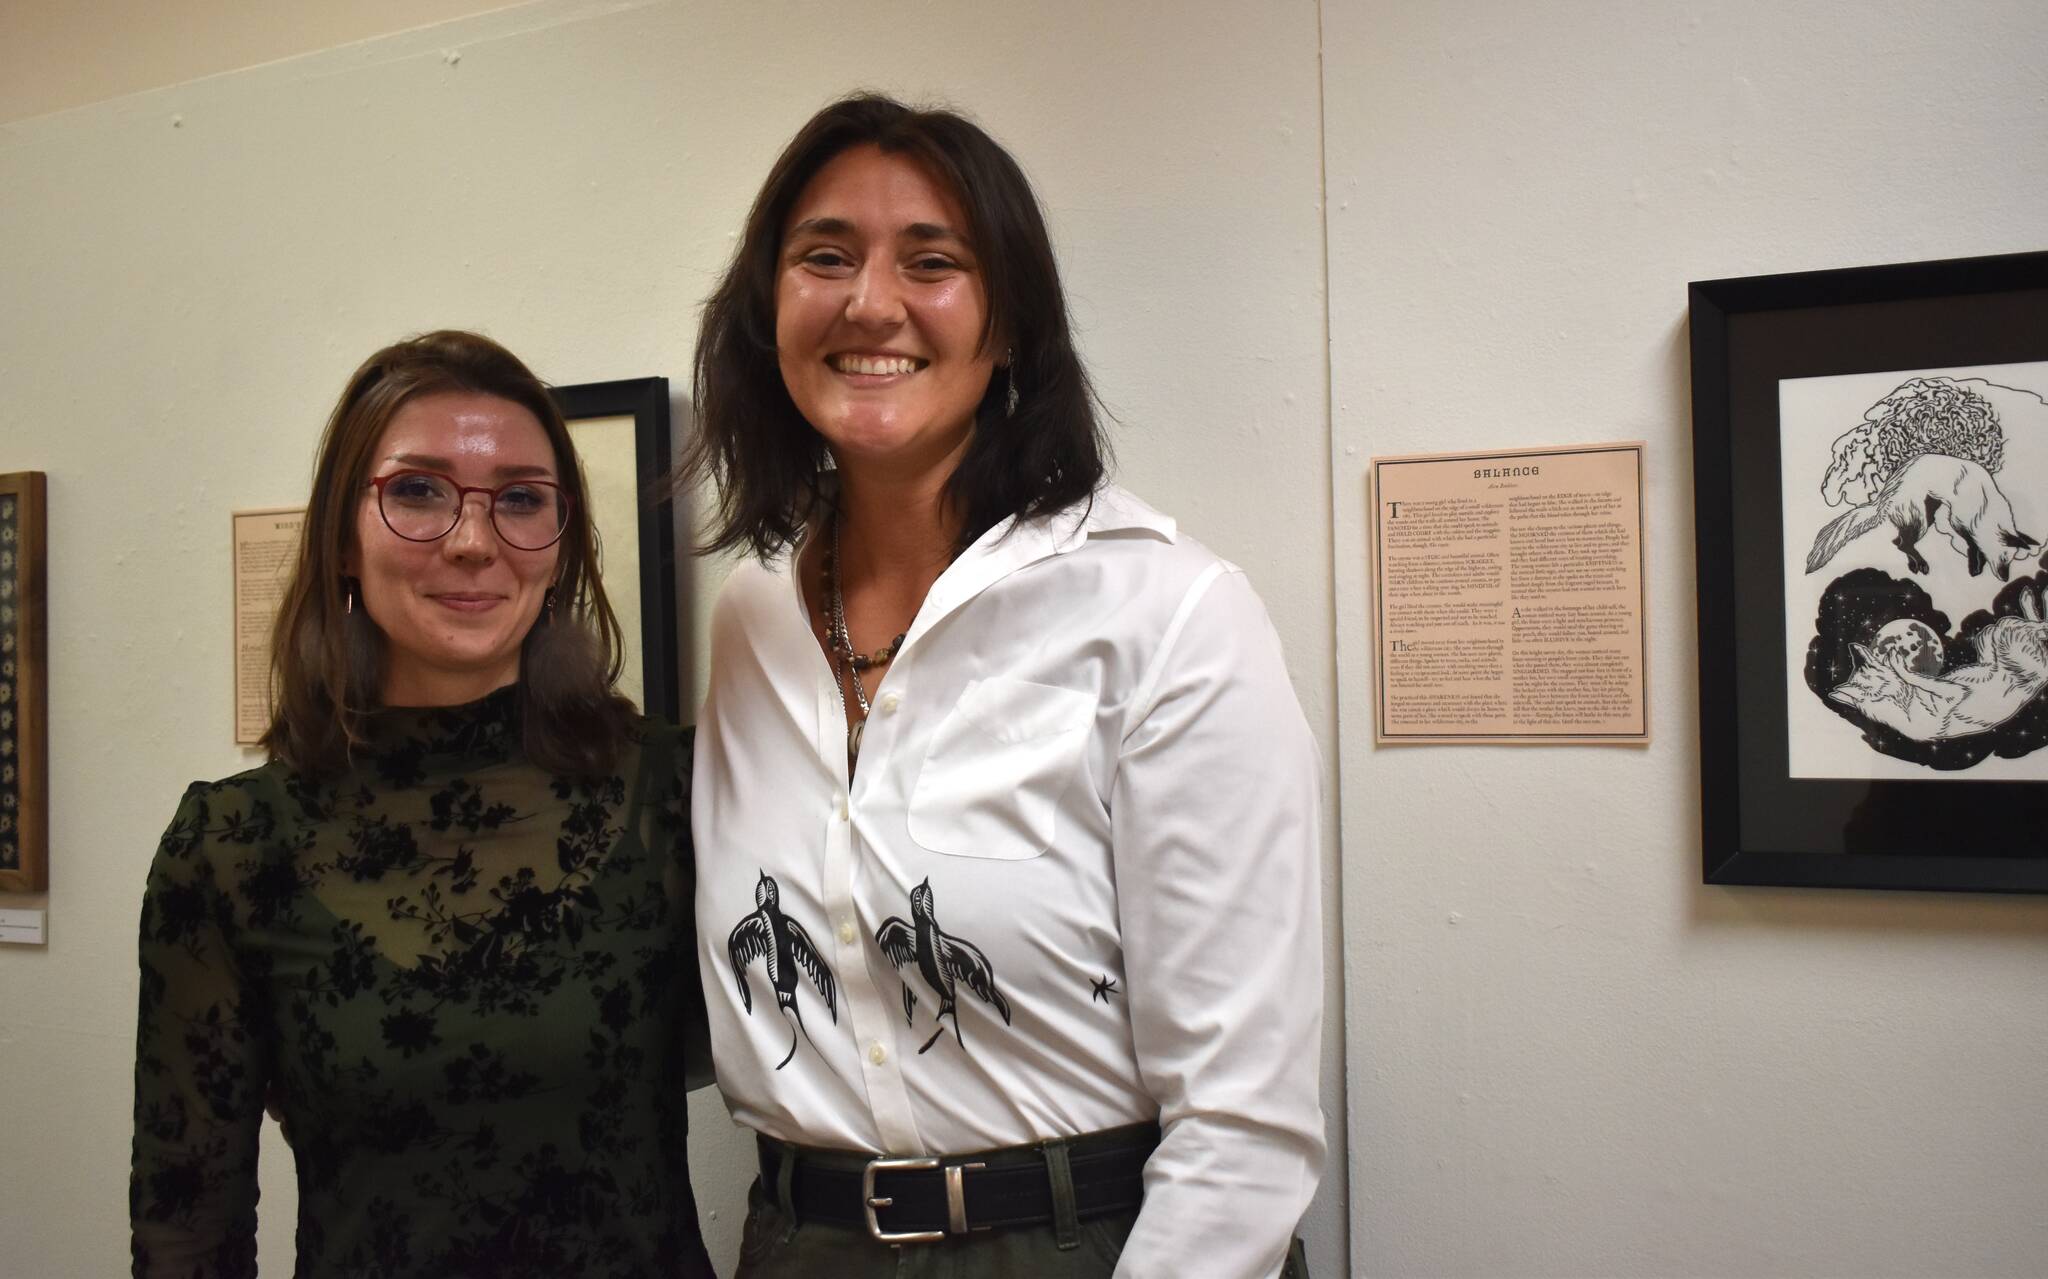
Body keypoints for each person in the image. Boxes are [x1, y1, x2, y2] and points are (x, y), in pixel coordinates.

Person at [683, 94, 1323, 1278]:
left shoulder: (1163, 611)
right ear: (766, 311)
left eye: (932, 262)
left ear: (1011, 324)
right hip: (803, 1243)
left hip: (1091, 1242)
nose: (870, 302)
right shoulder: (750, 621)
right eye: (824, 256)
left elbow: (1243, 1128)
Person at [130, 331, 715, 1279]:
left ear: (562, 546)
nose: (474, 541)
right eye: (417, 491)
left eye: (521, 498)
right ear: (342, 539)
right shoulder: (232, 847)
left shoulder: (679, 793)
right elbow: (187, 1232)